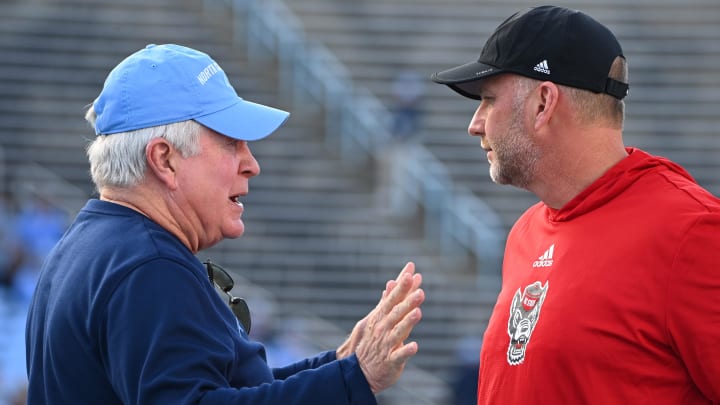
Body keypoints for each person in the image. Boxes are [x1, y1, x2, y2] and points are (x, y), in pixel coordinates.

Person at [25, 43, 425, 404]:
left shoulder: (93, 244)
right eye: (231, 142)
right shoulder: (148, 267)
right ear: (164, 159)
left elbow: (222, 389)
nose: (251, 164)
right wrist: (354, 378)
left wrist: (339, 366)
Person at [431, 5, 720, 404]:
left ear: (542, 103)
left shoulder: (691, 231)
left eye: (487, 99)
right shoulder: (526, 233)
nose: (475, 123)